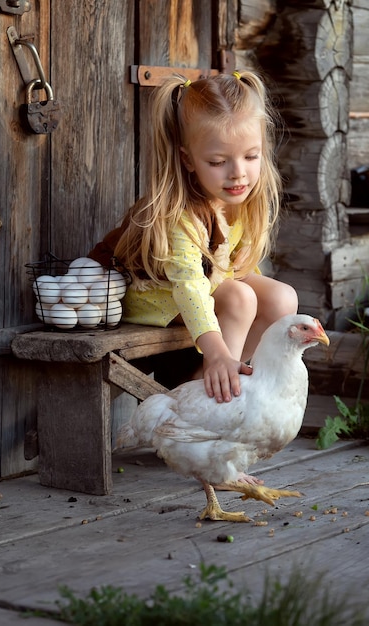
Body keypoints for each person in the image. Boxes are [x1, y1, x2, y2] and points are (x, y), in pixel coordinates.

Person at [90, 69, 298, 406]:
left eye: (251, 156)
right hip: (154, 295)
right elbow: (188, 285)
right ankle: (207, 395)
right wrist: (215, 351)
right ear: (188, 160)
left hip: (205, 284)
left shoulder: (240, 196)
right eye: (218, 161)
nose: (238, 173)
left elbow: (228, 267)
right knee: (238, 298)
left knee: (282, 298)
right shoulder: (180, 213)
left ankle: (232, 382)